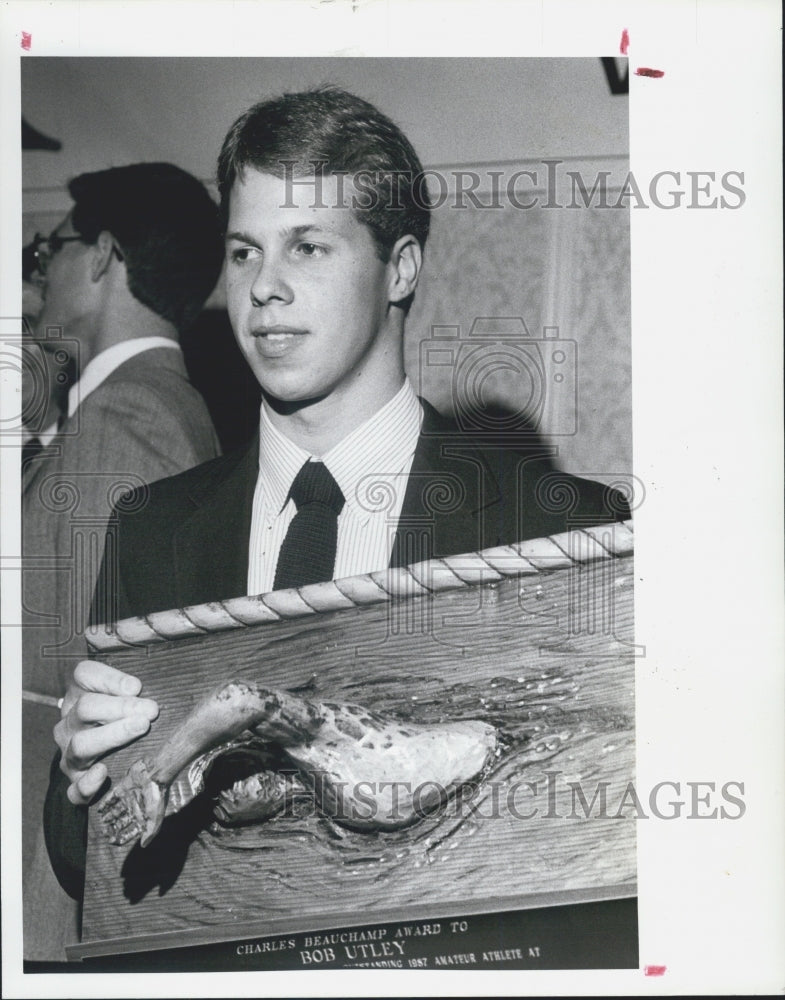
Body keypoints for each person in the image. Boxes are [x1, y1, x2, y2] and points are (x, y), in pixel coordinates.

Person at [43, 87, 631, 908]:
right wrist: (83, 775)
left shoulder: (567, 529)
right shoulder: (152, 527)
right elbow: (89, 866)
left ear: (399, 268)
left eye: (307, 247)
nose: (263, 289)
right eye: (244, 252)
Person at [23, 162, 224, 958]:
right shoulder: (155, 403)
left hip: (44, 856)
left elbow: (98, 671)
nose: (40, 274)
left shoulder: (126, 415)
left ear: (103, 254)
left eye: (52, 250)